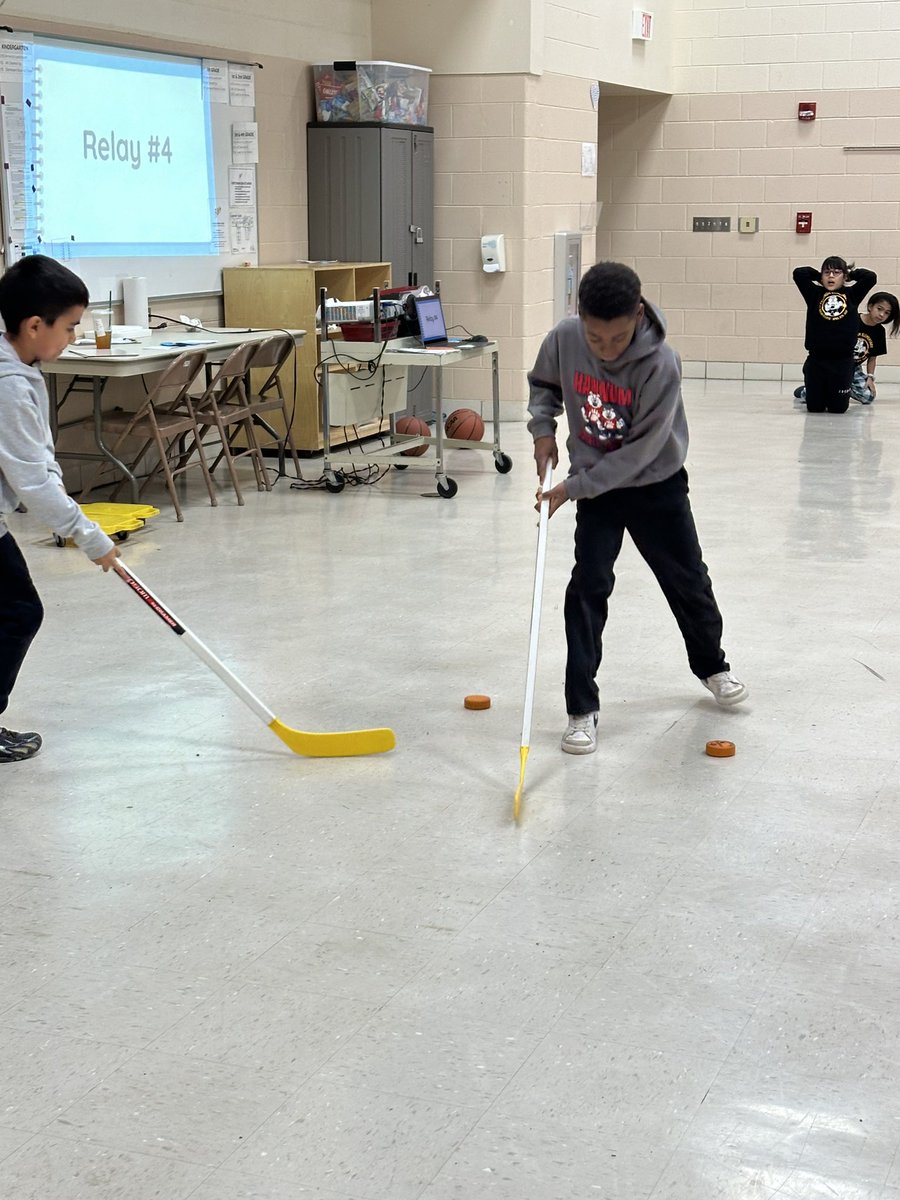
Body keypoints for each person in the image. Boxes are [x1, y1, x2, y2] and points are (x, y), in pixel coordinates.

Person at [527, 261, 747, 756]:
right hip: (596, 490)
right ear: (580, 316)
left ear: (639, 315)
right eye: (595, 338)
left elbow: (641, 452)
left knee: (687, 580)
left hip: (655, 484)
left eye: (619, 338)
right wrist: (543, 430)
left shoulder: (661, 363)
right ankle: (581, 709)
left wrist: (572, 488)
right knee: (587, 588)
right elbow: (544, 386)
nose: (606, 350)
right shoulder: (564, 337)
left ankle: (712, 666)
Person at [0, 255, 120, 764]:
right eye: (69, 327)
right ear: (34, 326)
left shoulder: (18, 366)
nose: (74, 337)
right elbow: (31, 481)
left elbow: (37, 463)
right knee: (17, 612)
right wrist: (89, 537)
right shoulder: (8, 385)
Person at [792, 256, 877, 413]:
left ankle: (828, 391)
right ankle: (808, 390)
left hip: (842, 361)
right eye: (827, 272)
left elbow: (870, 277)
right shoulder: (814, 294)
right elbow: (799, 273)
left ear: (844, 277)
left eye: (836, 272)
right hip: (817, 359)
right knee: (815, 408)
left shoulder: (852, 294)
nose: (831, 276)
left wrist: (850, 275)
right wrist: (819, 276)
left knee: (838, 409)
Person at [850, 291, 900, 404]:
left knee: (868, 396)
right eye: (879, 309)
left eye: (887, 313)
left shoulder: (879, 332)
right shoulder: (852, 320)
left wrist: (870, 378)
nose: (882, 314)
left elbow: (872, 358)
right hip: (838, 362)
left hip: (854, 368)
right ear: (870, 306)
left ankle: (843, 389)